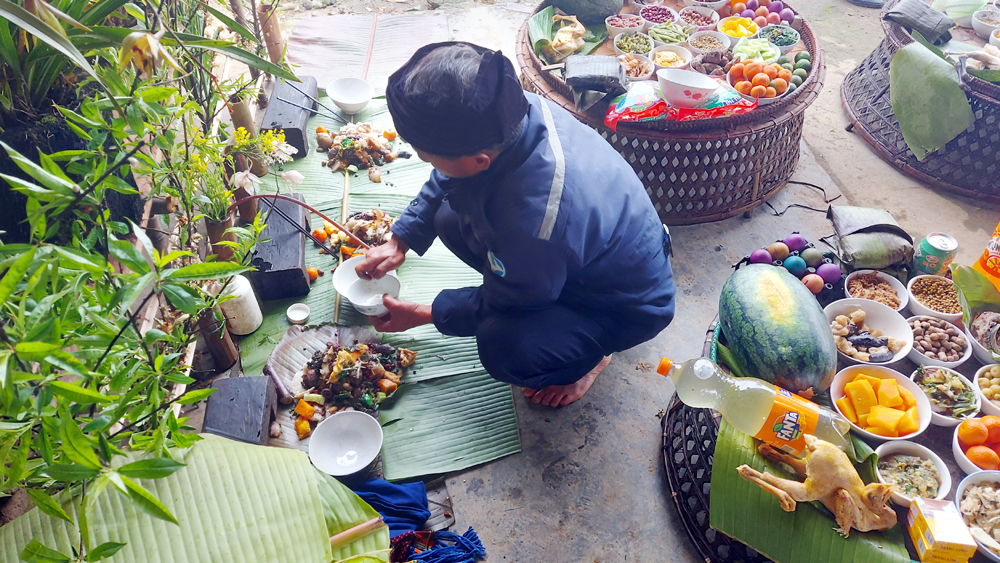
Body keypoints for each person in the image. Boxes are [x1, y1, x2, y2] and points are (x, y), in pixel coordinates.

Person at [355, 42, 676, 407]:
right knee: (447, 216)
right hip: (581, 256)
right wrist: (401, 239)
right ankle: (531, 283)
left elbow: (509, 298)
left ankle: (591, 358)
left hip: (622, 305)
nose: (425, 161)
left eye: (427, 156)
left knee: (503, 346)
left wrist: (427, 314)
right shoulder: (508, 112)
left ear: (478, 159)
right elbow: (450, 174)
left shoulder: (534, 221)